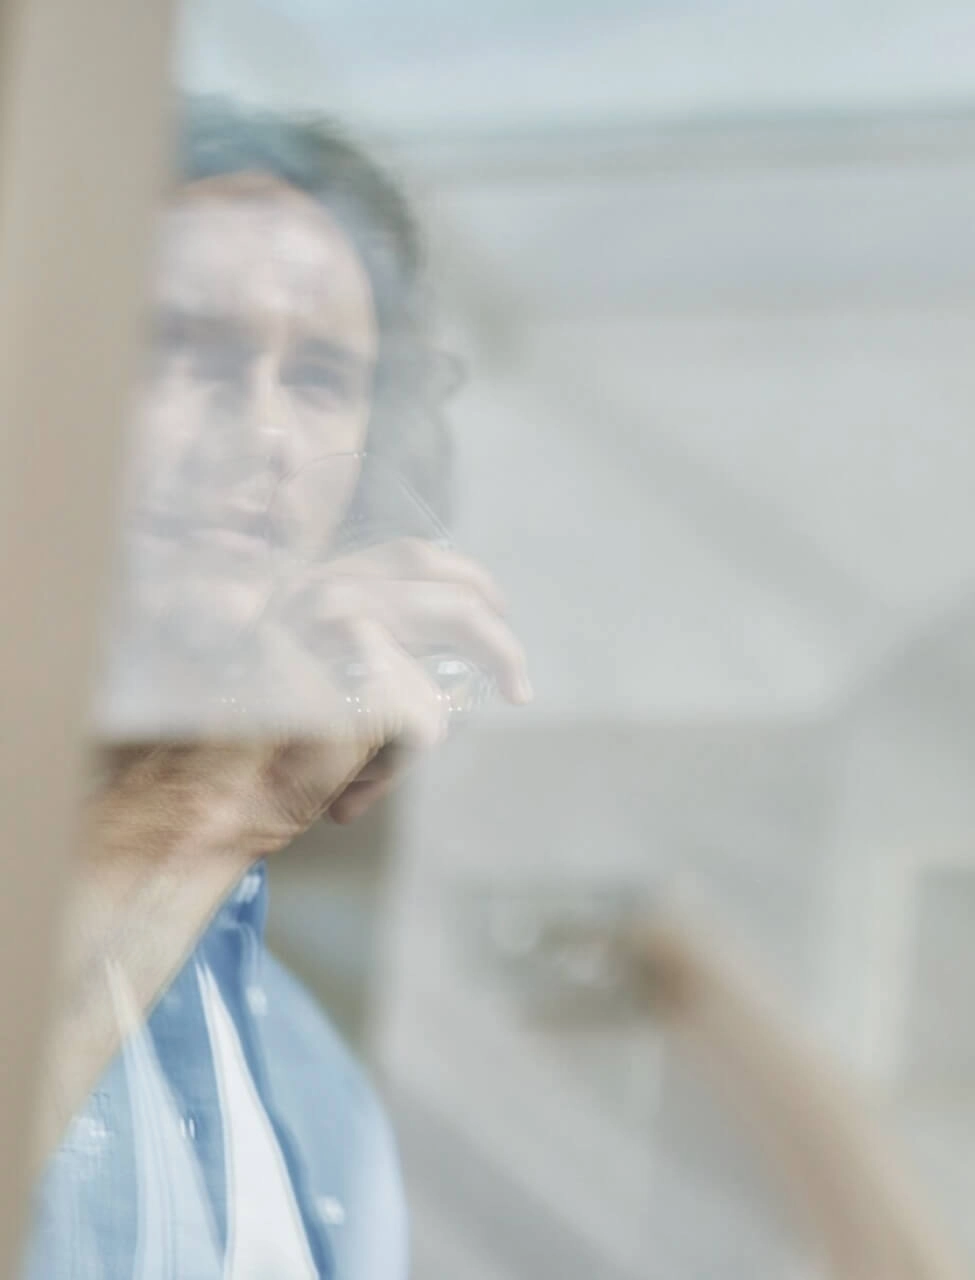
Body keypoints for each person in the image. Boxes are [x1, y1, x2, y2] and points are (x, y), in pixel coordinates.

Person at [28, 99, 530, 1279]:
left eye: (317, 378)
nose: (261, 433)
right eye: (180, 349)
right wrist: (213, 798)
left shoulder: (315, 1083)